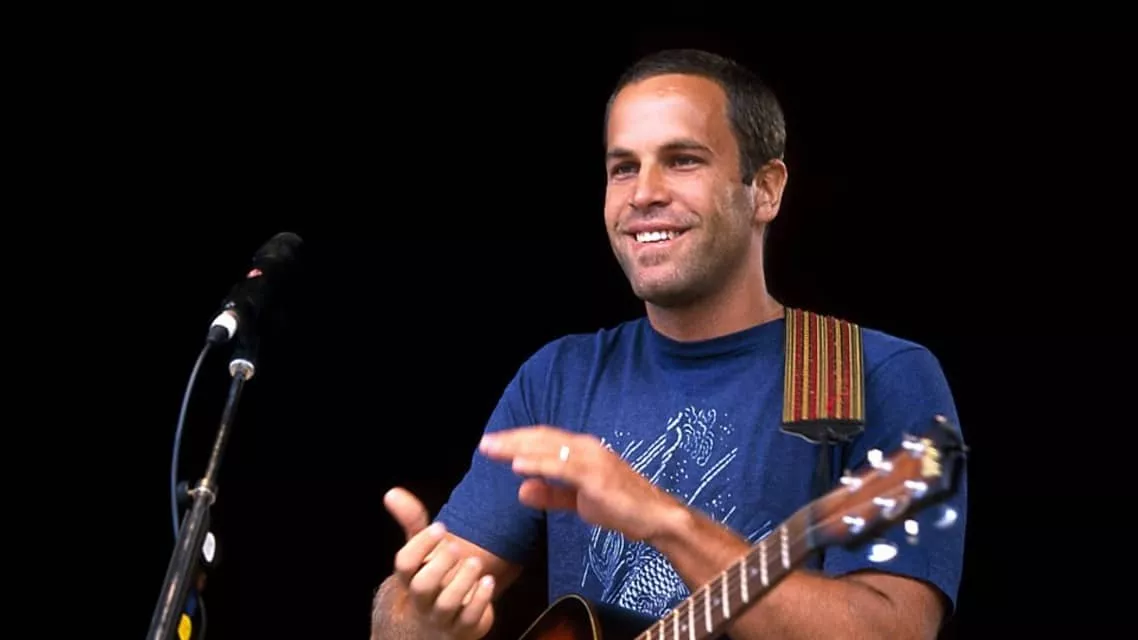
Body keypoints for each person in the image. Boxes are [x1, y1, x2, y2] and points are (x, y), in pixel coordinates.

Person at [371, 48, 968, 640]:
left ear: (765, 189)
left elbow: (895, 630)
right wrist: (420, 615)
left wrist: (663, 519)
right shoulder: (559, 377)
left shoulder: (875, 375)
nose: (643, 194)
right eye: (623, 168)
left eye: (682, 161)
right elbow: (405, 615)